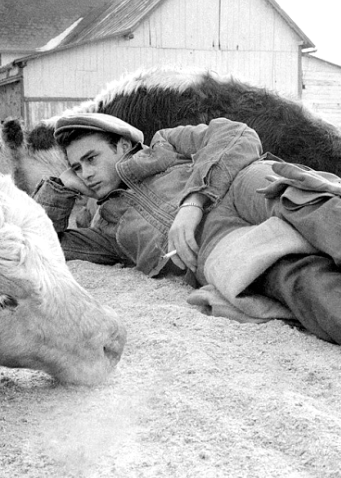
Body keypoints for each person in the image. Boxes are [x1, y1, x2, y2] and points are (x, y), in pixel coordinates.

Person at [33, 112, 341, 344]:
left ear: (123, 145)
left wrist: (193, 201)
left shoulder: (166, 142)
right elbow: (40, 243)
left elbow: (236, 134)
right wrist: (59, 188)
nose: (85, 174)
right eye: (76, 168)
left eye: (91, 159)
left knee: (305, 203)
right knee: (294, 280)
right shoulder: (106, 230)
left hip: (237, 186)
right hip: (215, 243)